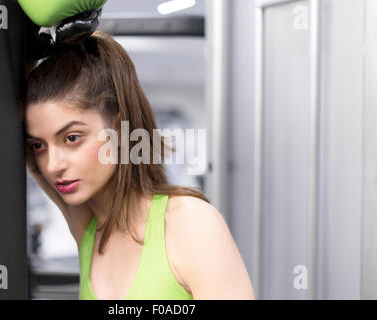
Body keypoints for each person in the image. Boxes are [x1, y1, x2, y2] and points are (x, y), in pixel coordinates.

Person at [20, 30, 255, 300]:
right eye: (39, 145)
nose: (52, 165)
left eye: (72, 138)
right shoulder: (87, 225)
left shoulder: (188, 223)